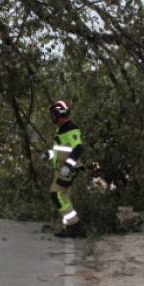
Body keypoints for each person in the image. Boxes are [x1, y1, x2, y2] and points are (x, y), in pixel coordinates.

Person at [44, 100, 86, 238]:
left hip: (67, 169)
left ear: (58, 114)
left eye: (53, 114)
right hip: (61, 169)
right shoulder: (60, 130)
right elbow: (62, 150)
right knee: (64, 196)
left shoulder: (71, 129)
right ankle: (69, 227)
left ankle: (74, 225)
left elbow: (78, 148)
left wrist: (68, 165)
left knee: (56, 194)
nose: (51, 117)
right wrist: (49, 154)